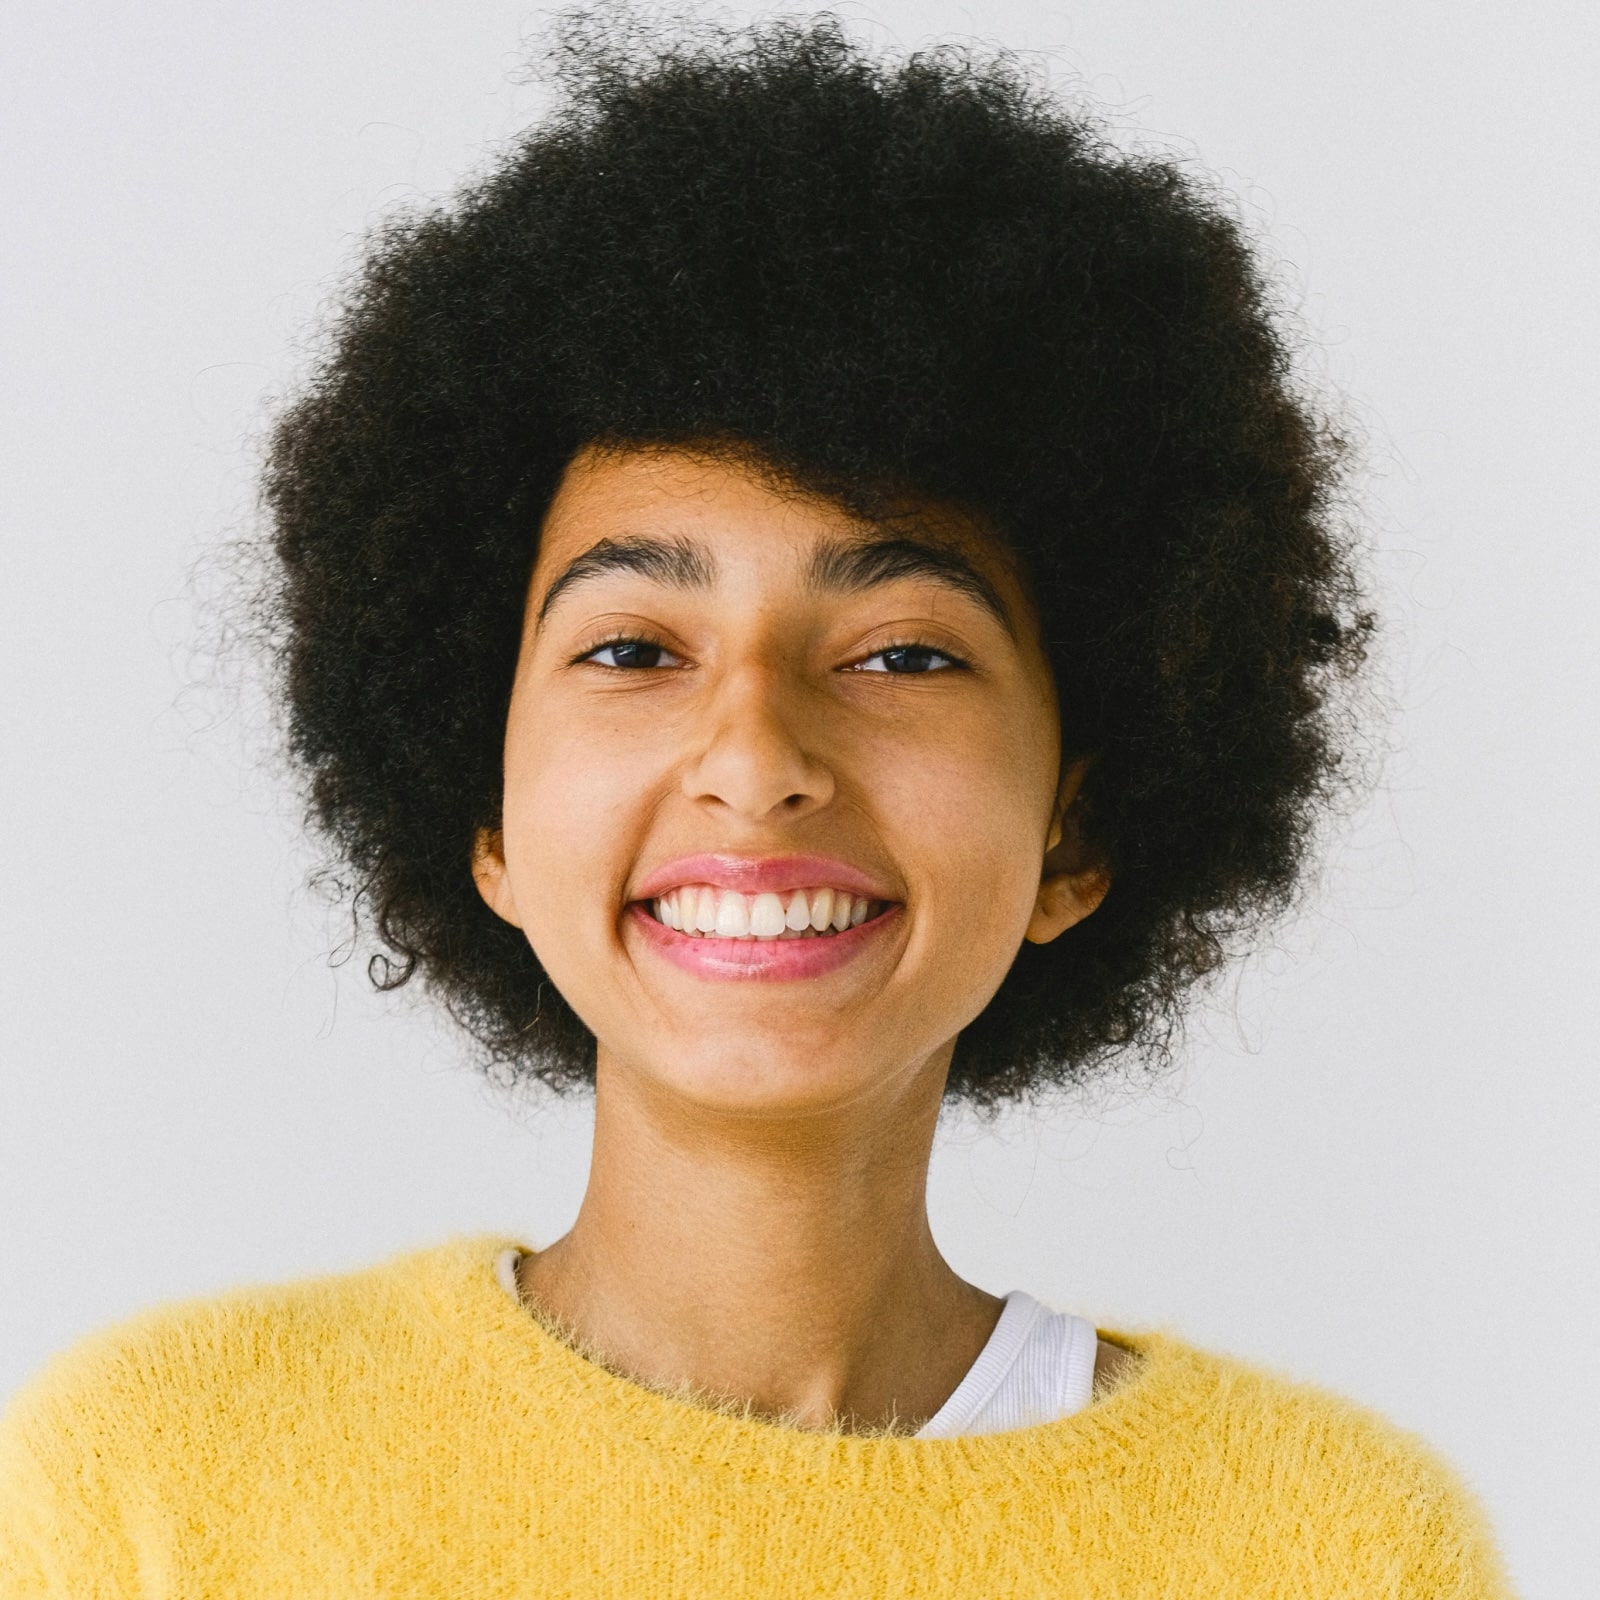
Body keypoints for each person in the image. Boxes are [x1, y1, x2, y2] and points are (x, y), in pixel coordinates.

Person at [0, 13, 1512, 1594]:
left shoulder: (1335, 1548)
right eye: (633, 648)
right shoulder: (158, 1489)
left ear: (1074, 831)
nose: (755, 754)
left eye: (903, 653)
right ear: (487, 815)